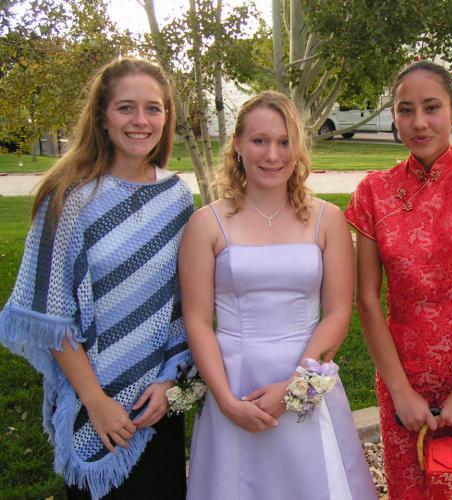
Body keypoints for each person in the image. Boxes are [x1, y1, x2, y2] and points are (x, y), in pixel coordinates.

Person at [0, 58, 194, 499]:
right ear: (102, 117)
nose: (141, 120)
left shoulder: (177, 198)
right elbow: (51, 316)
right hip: (94, 401)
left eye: (153, 108)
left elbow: (183, 305)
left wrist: (169, 381)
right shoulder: (69, 197)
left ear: (166, 117)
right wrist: (97, 401)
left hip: (157, 401)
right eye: (126, 108)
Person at [180, 90, 376, 500]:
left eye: (284, 142)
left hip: (306, 373)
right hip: (234, 381)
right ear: (237, 144)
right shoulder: (207, 223)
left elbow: (337, 313)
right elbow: (197, 321)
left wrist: (295, 388)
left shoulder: (327, 219)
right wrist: (226, 401)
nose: (273, 154)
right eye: (260, 141)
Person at [346, 60, 452, 499]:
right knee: (413, 486)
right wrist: (400, 392)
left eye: (431, 107)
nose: (419, 122)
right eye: (406, 110)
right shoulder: (374, 191)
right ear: (394, 115)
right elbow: (367, 299)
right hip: (402, 374)